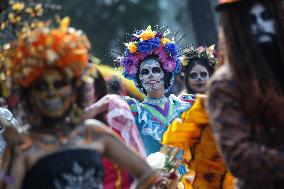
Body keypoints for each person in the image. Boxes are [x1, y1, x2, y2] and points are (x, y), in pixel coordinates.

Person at [0, 22, 159, 189]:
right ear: (30, 96)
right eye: (41, 87)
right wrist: (10, 159)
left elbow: (147, 174)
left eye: (59, 84)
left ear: (74, 90)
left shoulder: (93, 132)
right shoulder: (24, 145)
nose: (51, 93)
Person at [207, 0, 284, 188]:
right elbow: (239, 156)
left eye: (266, 17)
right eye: (251, 19)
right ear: (236, 27)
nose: (261, 26)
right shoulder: (225, 84)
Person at [162, 47, 236, 189]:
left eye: (203, 74)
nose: (199, 78)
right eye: (194, 75)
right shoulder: (180, 106)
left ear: (210, 76)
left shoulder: (221, 102)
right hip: (194, 169)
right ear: (187, 79)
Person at [117, 25, 191, 157]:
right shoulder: (135, 112)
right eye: (145, 72)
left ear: (165, 74)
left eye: (156, 70)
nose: (151, 75)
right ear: (139, 78)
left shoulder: (183, 106)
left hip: (188, 176)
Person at [79, 63, 146, 189]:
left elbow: (147, 174)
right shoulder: (60, 130)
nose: (80, 95)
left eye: (86, 89)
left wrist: (91, 111)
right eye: (76, 89)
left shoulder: (116, 121)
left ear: (96, 91)